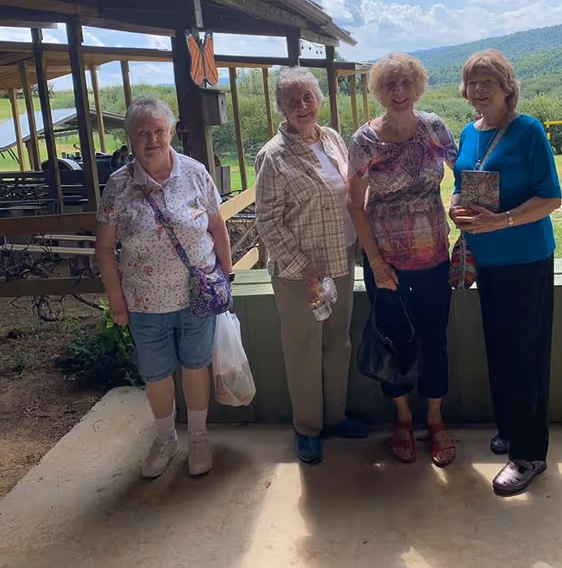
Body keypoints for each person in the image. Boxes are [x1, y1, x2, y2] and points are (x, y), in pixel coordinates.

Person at [96, 97, 233, 479]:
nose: (152, 139)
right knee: (155, 373)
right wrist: (116, 299)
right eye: (142, 132)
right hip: (143, 301)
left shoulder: (195, 173)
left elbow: (217, 225)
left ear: (171, 132)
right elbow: (105, 247)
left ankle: (199, 436)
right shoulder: (118, 186)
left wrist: (226, 272)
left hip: (196, 296)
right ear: (130, 138)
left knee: (195, 365)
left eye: (159, 131)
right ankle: (165, 437)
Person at [450, 49, 562, 497]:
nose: (479, 90)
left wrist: (504, 219)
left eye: (488, 82)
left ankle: (530, 453)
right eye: (472, 82)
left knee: (527, 355)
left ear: (507, 87)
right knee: (498, 349)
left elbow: (551, 197)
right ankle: (512, 429)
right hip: (487, 263)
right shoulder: (468, 131)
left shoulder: (528, 130)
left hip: (526, 259)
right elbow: (462, 181)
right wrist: (457, 208)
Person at [347, 53, 458, 466]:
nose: (398, 92)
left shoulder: (435, 128)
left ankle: (435, 419)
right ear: (378, 91)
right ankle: (404, 420)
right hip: (387, 266)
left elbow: (464, 174)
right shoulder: (364, 142)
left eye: (405, 83)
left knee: (435, 339)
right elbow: (355, 205)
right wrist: (375, 263)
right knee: (392, 343)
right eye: (389, 85)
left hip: (433, 259)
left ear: (418, 85)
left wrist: (467, 216)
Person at [255, 68, 367, 466]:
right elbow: (266, 221)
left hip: (340, 260)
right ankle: (307, 428)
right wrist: (305, 271)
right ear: (280, 107)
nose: (301, 106)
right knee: (303, 348)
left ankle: (335, 418)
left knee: (338, 344)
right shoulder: (273, 156)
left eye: (307, 98)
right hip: (299, 274)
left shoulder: (332, 138)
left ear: (319, 100)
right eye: (291, 100)